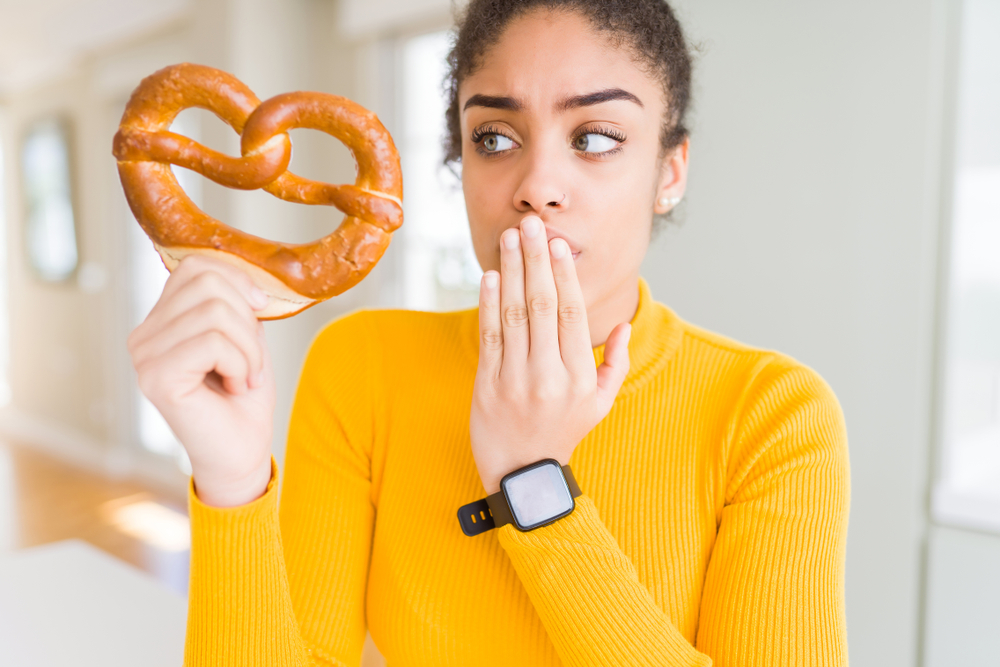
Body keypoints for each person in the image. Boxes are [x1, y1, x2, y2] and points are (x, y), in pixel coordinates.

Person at [128, 0, 850, 665]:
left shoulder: (774, 417)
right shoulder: (360, 367)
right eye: (495, 136)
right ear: (462, 164)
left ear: (670, 170)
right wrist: (232, 480)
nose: (537, 183)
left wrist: (533, 483)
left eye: (596, 137)